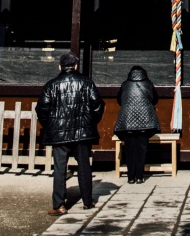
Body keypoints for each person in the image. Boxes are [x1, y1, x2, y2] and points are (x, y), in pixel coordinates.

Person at [35, 52, 104, 215]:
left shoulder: (51, 85)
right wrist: (90, 122)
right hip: (82, 132)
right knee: (84, 166)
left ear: (60, 67)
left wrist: (50, 124)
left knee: (59, 168)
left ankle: (59, 204)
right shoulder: (87, 83)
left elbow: (42, 109)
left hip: (59, 133)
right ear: (76, 66)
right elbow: (97, 105)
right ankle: (88, 201)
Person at [113, 65, 159, 184]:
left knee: (129, 150)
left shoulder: (125, 84)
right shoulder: (148, 84)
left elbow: (119, 100)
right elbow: (155, 99)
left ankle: (130, 177)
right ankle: (139, 176)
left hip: (127, 122)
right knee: (141, 149)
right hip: (145, 121)